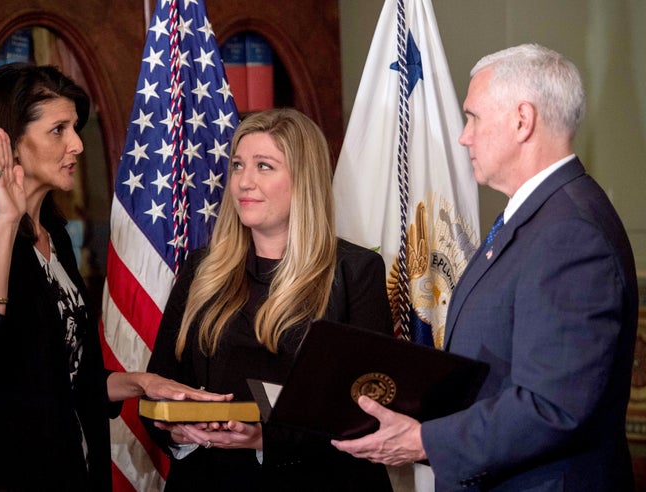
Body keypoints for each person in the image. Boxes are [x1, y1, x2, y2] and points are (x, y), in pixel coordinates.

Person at [332, 43, 639, 491]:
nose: (464, 136)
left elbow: (552, 406)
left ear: (522, 120)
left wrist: (423, 441)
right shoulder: (538, 214)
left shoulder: (570, 232)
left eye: (473, 117)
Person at [0, 63, 229, 491]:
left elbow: (74, 378)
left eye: (75, 128)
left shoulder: (56, 236)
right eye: (58, 130)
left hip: (77, 468)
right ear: (10, 142)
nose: (76, 144)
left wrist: (142, 383)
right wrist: (6, 227)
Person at [143, 108, 394, 491]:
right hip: (210, 479)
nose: (244, 182)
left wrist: (265, 438)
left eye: (264, 166)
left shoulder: (355, 271)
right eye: (239, 165)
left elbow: (368, 410)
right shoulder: (201, 269)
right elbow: (161, 383)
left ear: (303, 179)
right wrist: (175, 431)